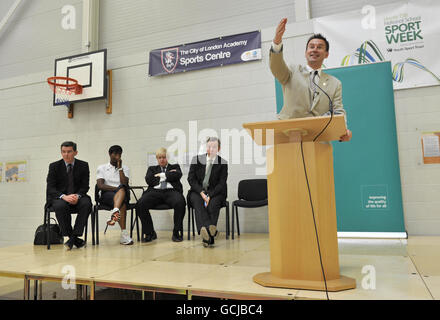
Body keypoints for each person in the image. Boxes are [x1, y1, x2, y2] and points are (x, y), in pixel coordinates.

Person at [270, 18, 352, 142]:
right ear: (306, 52)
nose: (314, 49)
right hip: (289, 138)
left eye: (319, 47)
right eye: (311, 46)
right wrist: (277, 42)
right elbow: (276, 68)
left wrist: (343, 130)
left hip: (319, 140)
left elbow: (338, 111)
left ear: (326, 54)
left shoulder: (335, 83)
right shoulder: (292, 71)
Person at [46, 141, 92, 250]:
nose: (66, 154)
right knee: (60, 206)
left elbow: (85, 186)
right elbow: (51, 188)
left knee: (86, 203)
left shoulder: (83, 165)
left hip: (77, 196)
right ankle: (73, 238)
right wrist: (64, 196)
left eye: (69, 152)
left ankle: (74, 235)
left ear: (75, 152)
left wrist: (77, 196)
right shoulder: (54, 166)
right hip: (60, 197)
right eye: (63, 152)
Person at [136, 148, 186, 242]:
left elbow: (178, 175)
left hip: (171, 191)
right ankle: (150, 232)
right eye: (160, 158)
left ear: (167, 158)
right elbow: (149, 180)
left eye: (164, 157)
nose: (162, 159)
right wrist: (169, 175)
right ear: (157, 159)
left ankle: (176, 232)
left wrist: (161, 175)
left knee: (180, 202)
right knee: (140, 203)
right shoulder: (152, 169)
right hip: (155, 192)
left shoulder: (175, 166)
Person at [188, 137, 228, 248]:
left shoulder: (223, 163)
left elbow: (222, 183)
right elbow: (191, 179)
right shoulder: (196, 160)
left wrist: (209, 195)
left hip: (215, 192)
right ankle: (211, 230)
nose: (211, 149)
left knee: (213, 204)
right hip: (198, 191)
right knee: (197, 201)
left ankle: (207, 235)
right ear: (206, 147)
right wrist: (201, 192)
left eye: (214, 147)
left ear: (218, 148)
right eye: (209, 146)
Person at [96, 145, 133, 245]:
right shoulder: (102, 167)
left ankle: (115, 211)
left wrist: (120, 168)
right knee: (122, 202)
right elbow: (100, 185)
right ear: (109, 154)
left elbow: (125, 183)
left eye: (119, 154)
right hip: (107, 194)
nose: (117, 156)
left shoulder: (125, 168)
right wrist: (117, 188)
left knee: (122, 189)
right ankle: (124, 235)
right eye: (115, 154)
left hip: (123, 193)